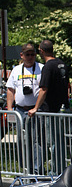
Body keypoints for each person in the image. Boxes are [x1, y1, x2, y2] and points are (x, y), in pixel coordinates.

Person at [28, 39, 70, 174]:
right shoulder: (62, 64)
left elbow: (44, 89)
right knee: (60, 140)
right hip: (62, 108)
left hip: (51, 109)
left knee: (53, 142)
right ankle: (60, 169)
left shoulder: (48, 66)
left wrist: (35, 107)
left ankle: (56, 172)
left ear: (41, 51)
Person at [6, 42, 44, 173]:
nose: (30, 57)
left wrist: (37, 107)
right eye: (27, 54)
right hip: (20, 110)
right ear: (22, 55)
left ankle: (37, 170)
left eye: (32, 54)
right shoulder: (16, 70)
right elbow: (10, 90)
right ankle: (25, 169)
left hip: (36, 110)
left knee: (36, 140)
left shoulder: (41, 68)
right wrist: (10, 109)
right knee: (22, 140)